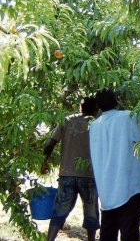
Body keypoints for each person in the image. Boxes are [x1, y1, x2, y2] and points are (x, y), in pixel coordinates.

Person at [89, 89, 140, 241]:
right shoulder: (127, 117)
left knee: (108, 232)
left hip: (107, 189)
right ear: (117, 101)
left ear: (98, 107)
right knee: (130, 233)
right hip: (130, 186)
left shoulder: (95, 126)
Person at [41, 97, 100, 241]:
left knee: (59, 211)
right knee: (91, 213)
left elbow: (51, 143)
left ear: (81, 107)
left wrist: (44, 162)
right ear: (96, 109)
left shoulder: (67, 120)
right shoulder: (98, 124)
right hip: (89, 175)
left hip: (67, 173)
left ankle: (50, 239)